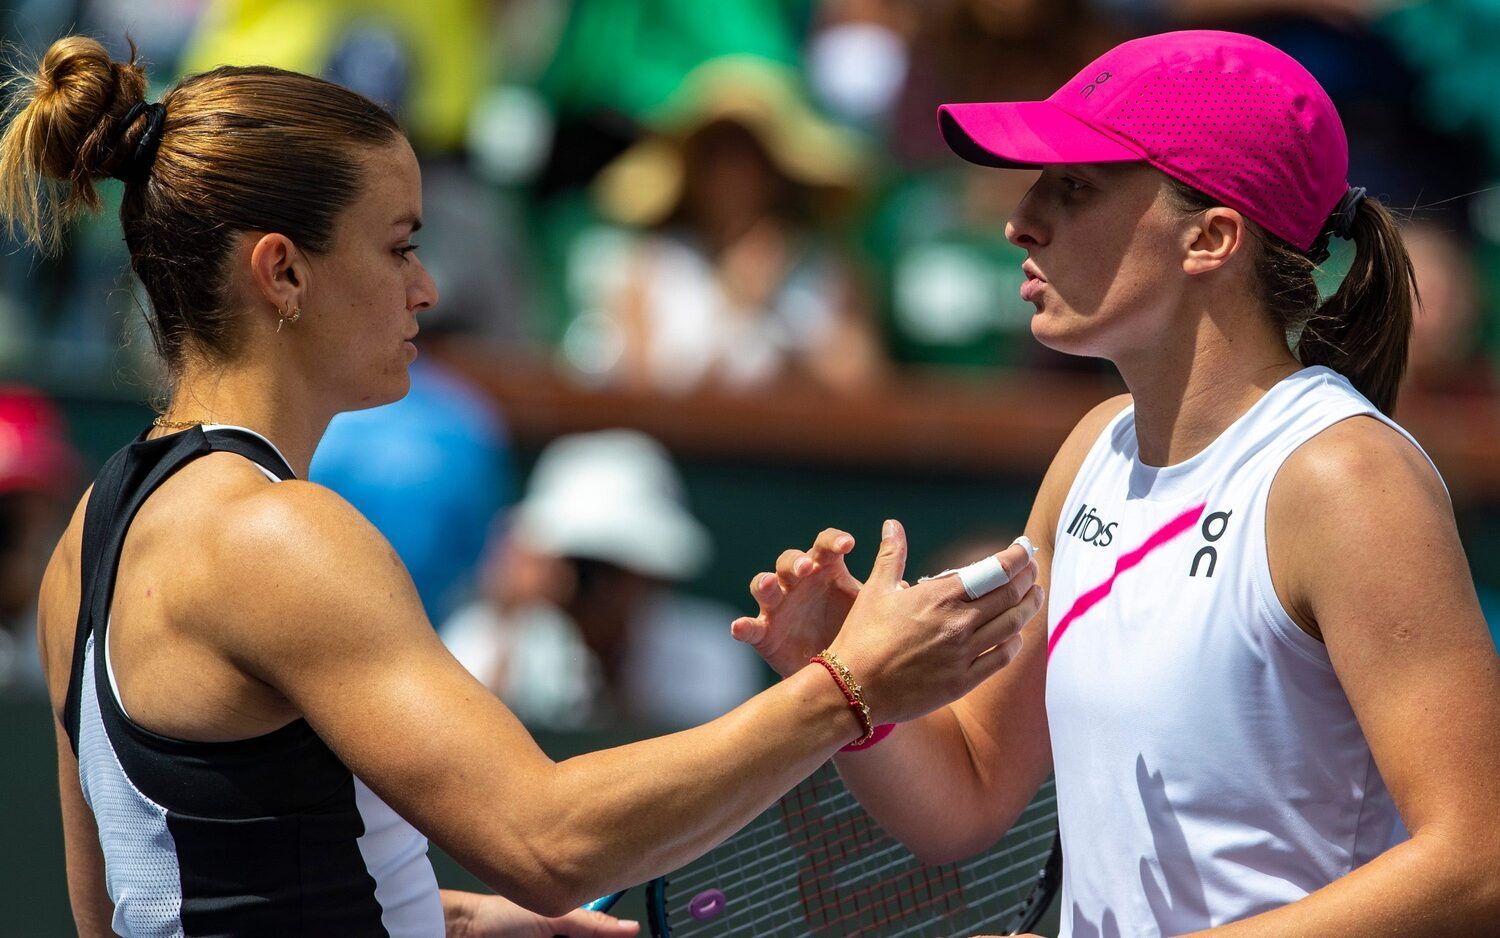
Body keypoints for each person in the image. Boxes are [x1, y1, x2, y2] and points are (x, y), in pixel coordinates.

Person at [3, 36, 1041, 937]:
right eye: (400, 245)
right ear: (282, 272)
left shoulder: (93, 533)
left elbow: (143, 903)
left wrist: (442, 915)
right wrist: (849, 685)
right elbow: (549, 840)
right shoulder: (277, 537)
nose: (428, 286)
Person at [733, 30, 1500, 936]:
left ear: (1210, 238)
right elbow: (973, 787)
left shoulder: (1345, 478)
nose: (1018, 222)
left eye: (1074, 187)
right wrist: (846, 681)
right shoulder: (1094, 449)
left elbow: (1476, 863)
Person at [442, 430, 763, 730]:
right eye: (581, 562)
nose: (599, 583)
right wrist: (508, 623)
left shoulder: (713, 651)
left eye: (618, 565)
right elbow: (465, 750)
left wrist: (614, 660)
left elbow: (697, 772)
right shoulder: (480, 635)